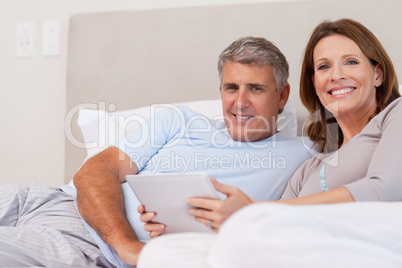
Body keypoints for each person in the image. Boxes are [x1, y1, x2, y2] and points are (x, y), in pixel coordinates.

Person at [0, 37, 312, 267]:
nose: (240, 102)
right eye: (231, 88)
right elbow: (94, 172)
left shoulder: (305, 155)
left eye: (255, 89)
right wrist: (127, 243)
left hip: (82, 244)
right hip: (44, 198)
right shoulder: (177, 120)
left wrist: (130, 251)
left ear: (282, 95)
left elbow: (357, 169)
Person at [137, 18, 402, 267]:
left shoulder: (396, 115)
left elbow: (383, 190)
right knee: (163, 251)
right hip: (297, 249)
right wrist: (182, 222)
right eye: (323, 67)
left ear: (377, 74)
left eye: (351, 62)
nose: (336, 75)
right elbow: (270, 224)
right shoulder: (311, 165)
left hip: (360, 241)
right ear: (315, 83)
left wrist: (252, 210)